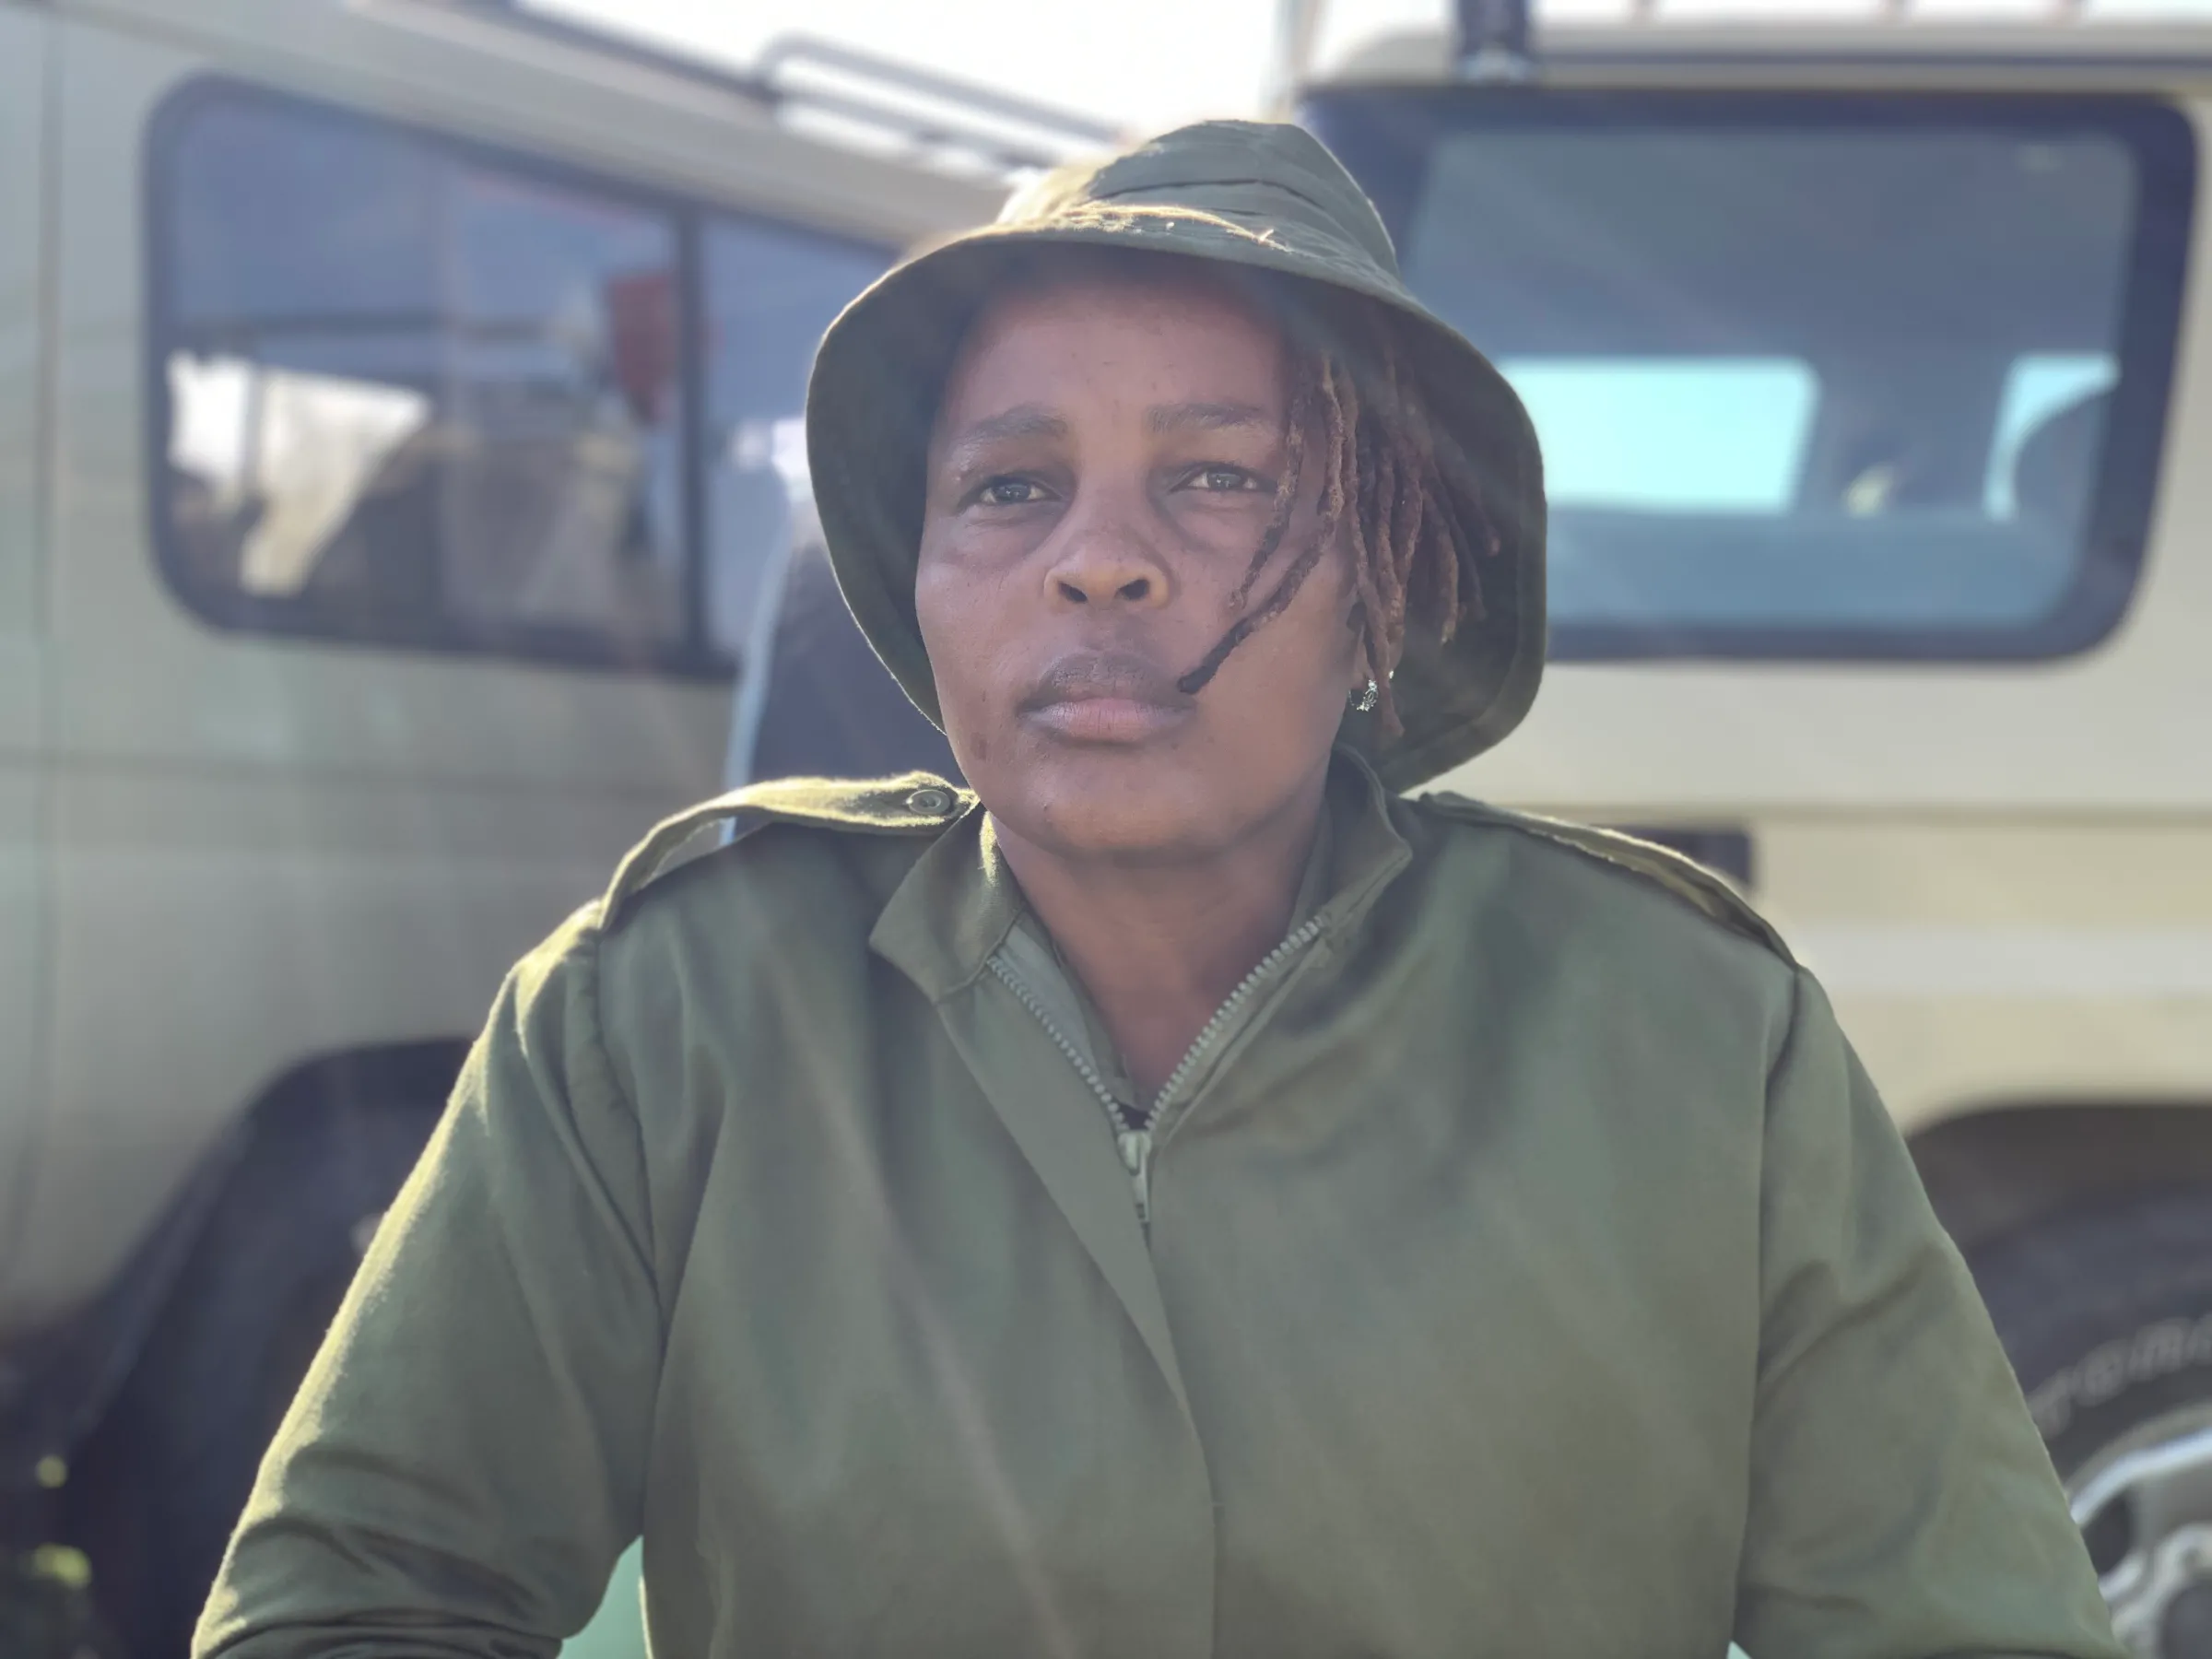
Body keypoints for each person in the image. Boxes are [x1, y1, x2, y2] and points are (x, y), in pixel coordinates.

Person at [194, 120, 2121, 1659]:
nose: (1097, 564)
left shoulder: (1700, 1042)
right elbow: (361, 1599)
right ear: (923, 582)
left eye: (1218, 482)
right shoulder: (664, 1012)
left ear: (1383, 575)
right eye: (1009, 489)